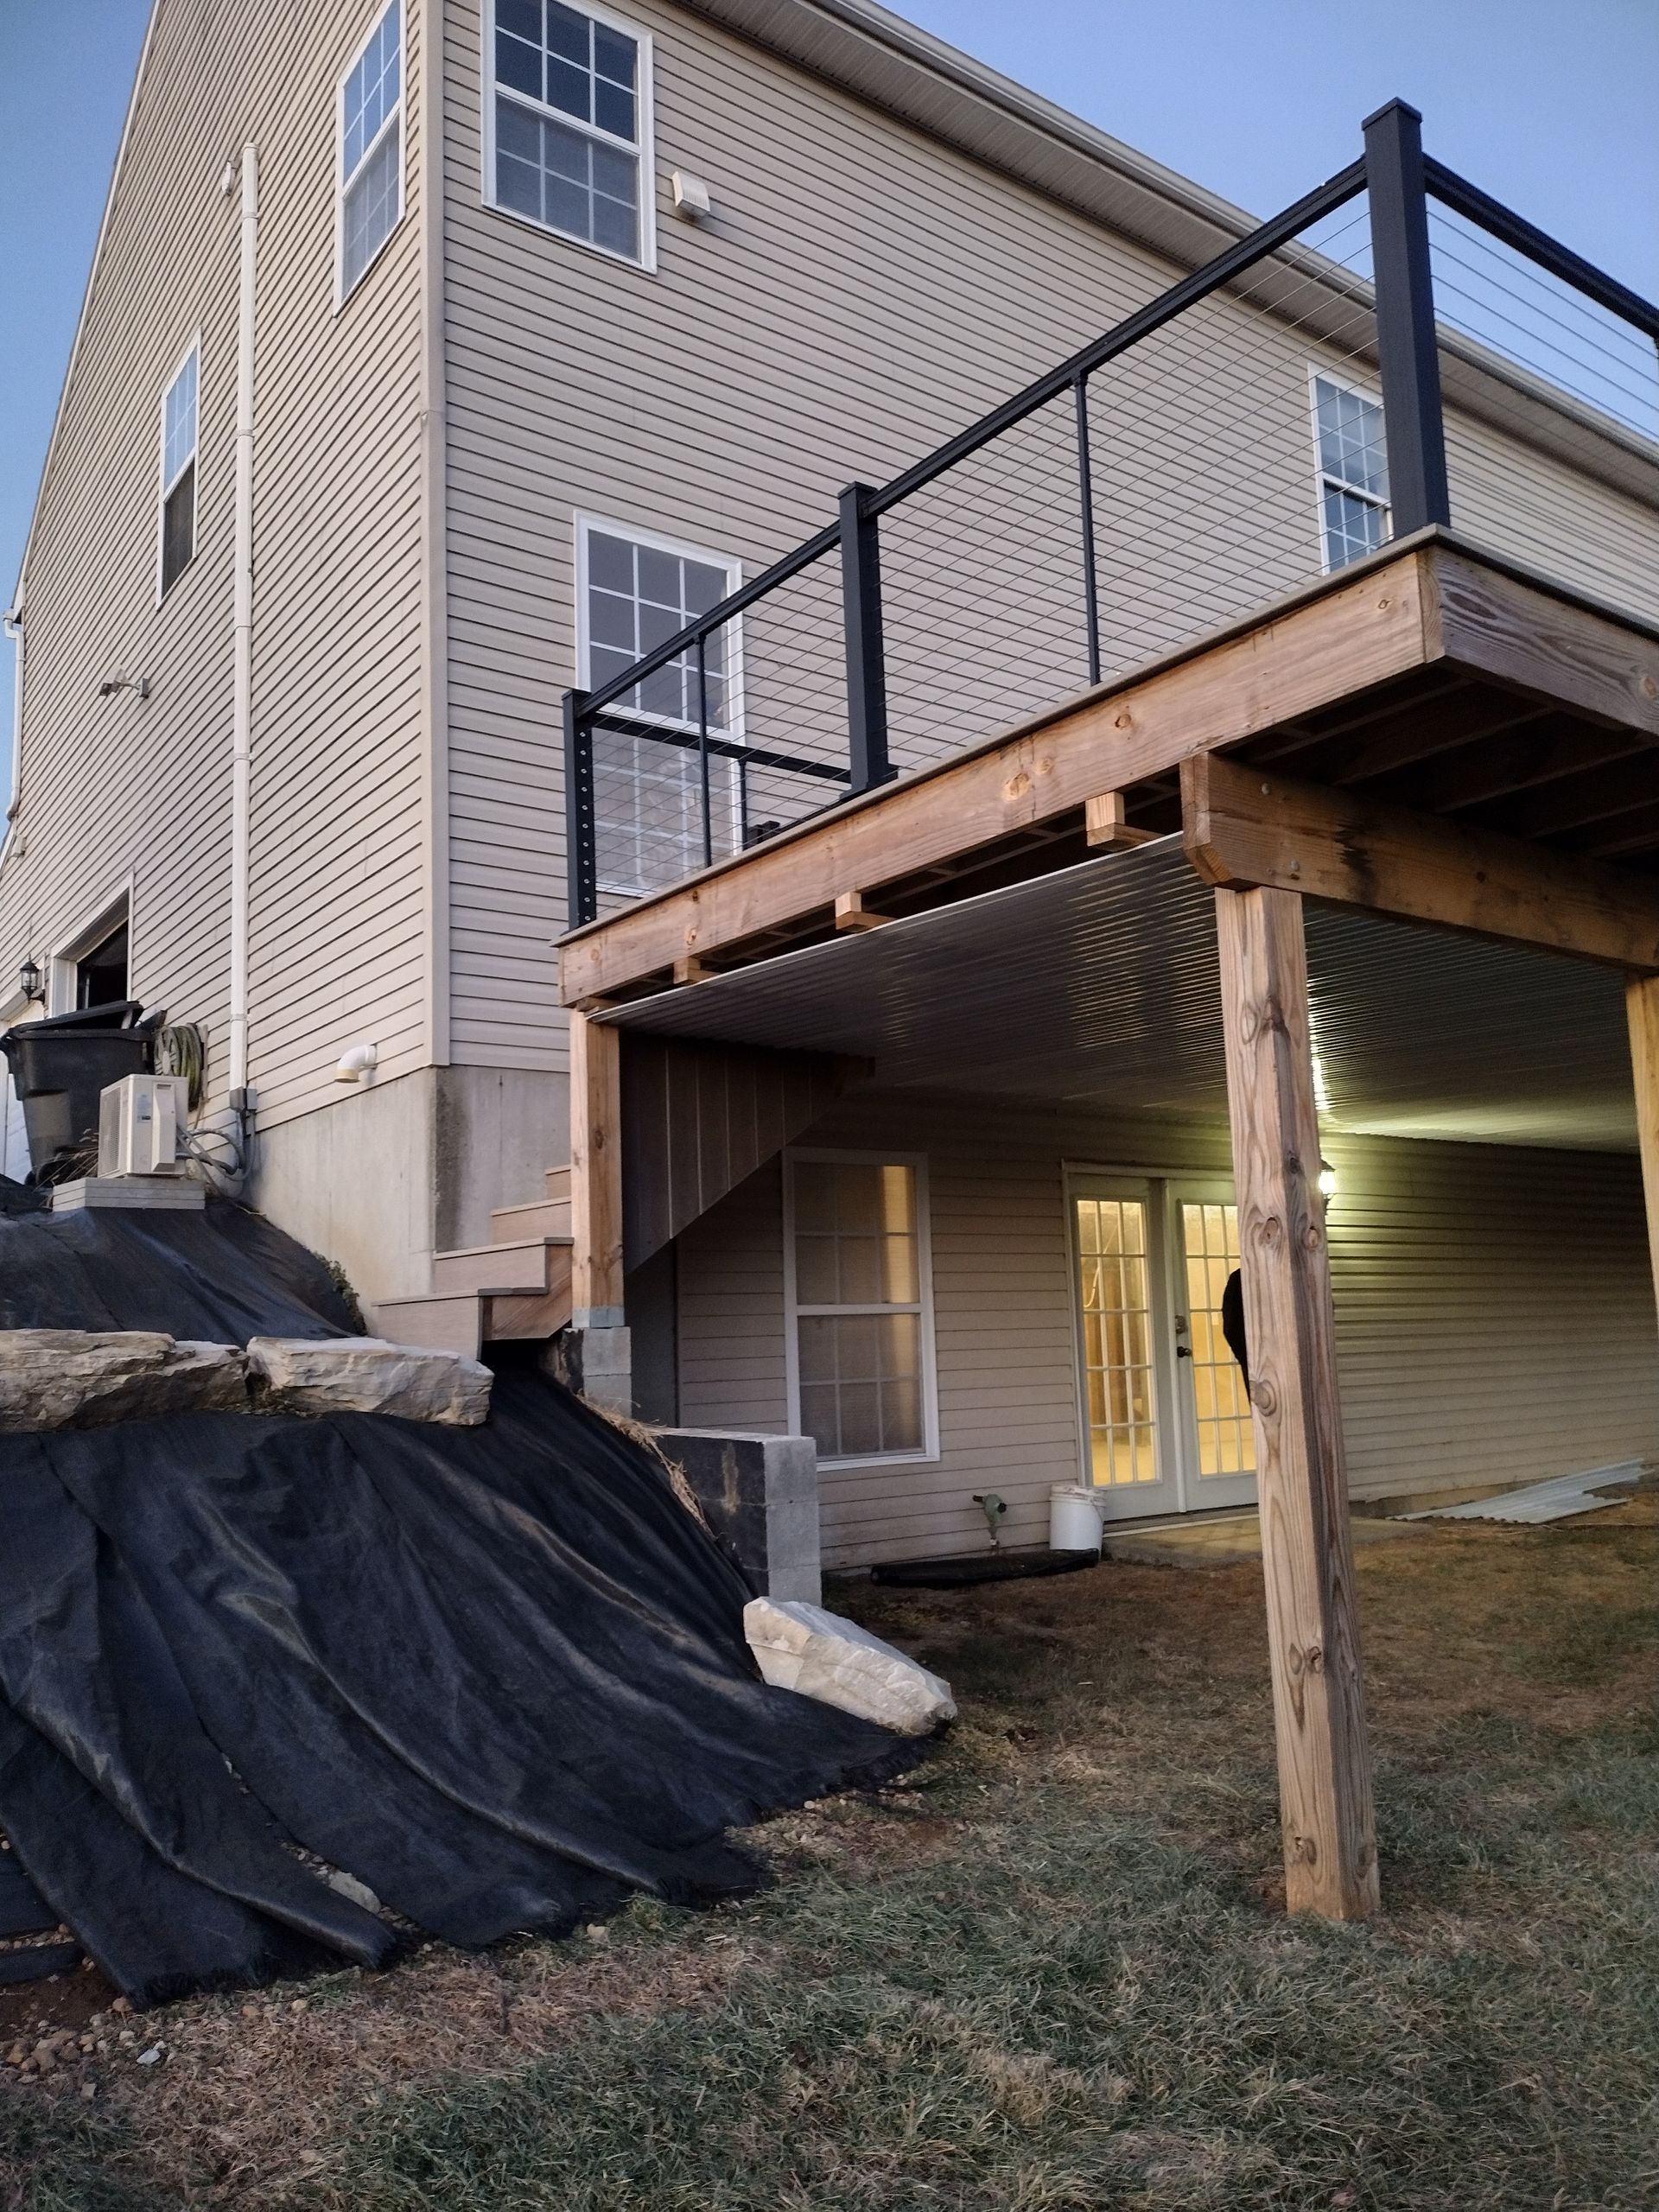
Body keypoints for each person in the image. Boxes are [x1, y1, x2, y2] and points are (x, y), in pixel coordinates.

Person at [1220, 1268, 1249, 1394]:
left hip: (1253, 1356)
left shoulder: (1240, 1277)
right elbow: (1231, 1327)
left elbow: (1230, 1326)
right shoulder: (1239, 1278)